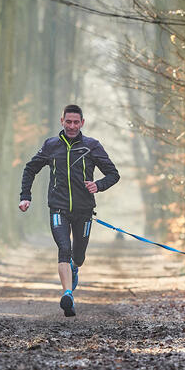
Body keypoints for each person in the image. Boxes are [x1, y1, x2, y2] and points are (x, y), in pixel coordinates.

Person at [19, 105, 120, 316]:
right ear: (62, 121)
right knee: (64, 248)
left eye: (76, 122)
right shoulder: (51, 146)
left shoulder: (92, 146)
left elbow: (113, 174)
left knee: (79, 256)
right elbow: (30, 169)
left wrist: (98, 185)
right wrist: (25, 197)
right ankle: (67, 294)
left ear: (82, 122)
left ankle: (74, 269)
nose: (72, 126)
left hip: (84, 210)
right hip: (58, 207)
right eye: (68, 122)